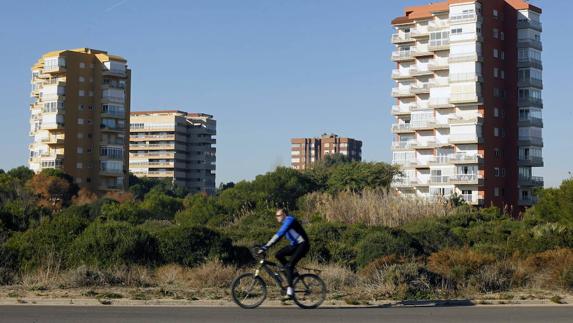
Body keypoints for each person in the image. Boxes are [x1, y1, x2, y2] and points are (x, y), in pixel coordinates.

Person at [259, 209, 310, 299]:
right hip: (295, 245)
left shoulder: (289, 220)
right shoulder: (285, 223)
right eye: (276, 216)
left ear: (284, 215)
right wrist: (264, 245)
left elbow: (279, 234)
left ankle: (290, 292)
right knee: (278, 254)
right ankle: (290, 273)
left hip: (303, 245)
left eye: (279, 215)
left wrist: (266, 247)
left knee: (289, 265)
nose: (277, 217)